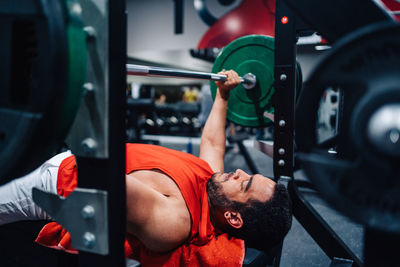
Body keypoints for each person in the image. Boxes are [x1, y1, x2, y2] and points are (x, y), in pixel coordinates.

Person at [0, 70, 292, 266]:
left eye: (244, 184)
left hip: (49, 184)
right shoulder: (212, 185)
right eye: (247, 175)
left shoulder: (173, 223)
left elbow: (106, 177)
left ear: (233, 218)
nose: (238, 173)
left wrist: (88, 84)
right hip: (61, 160)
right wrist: (223, 94)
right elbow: (214, 144)